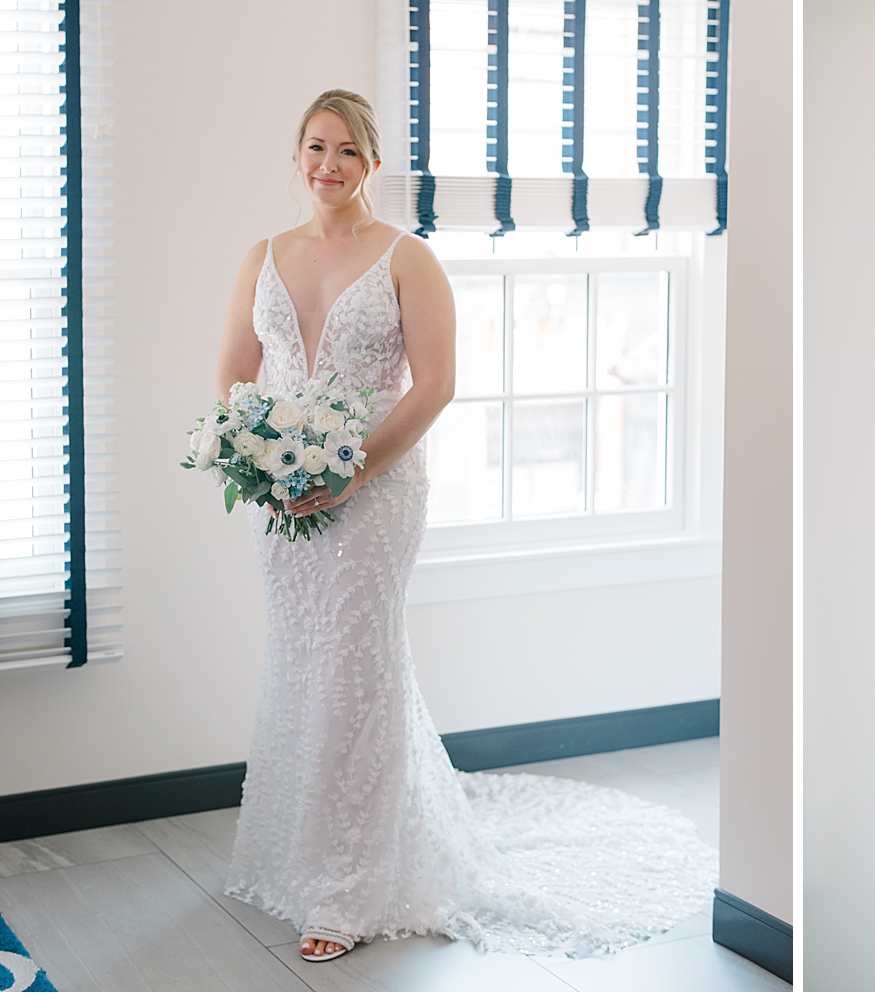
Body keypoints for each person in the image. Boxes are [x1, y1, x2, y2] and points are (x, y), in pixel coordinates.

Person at [214, 90, 716, 962]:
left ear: (371, 164)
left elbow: (435, 384)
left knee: (356, 668)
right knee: (301, 665)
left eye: (345, 152)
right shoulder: (263, 255)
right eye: (314, 148)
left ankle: (345, 889)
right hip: (280, 500)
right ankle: (295, 861)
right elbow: (232, 373)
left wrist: (348, 472)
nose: (327, 166)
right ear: (296, 156)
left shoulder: (408, 258)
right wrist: (261, 461)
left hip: (375, 494)